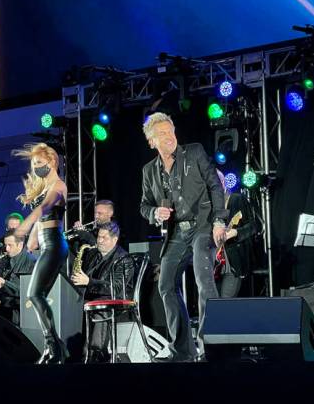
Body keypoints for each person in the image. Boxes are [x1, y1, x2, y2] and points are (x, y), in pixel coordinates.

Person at [139, 112, 229, 362]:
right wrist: (155, 213)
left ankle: (211, 348)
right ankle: (183, 351)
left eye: (171, 131)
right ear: (151, 141)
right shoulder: (149, 171)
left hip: (203, 226)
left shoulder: (195, 152)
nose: (169, 137)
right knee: (165, 285)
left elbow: (215, 185)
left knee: (203, 279)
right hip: (176, 233)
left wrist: (219, 220)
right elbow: (144, 206)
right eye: (162, 134)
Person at [12, 143, 69, 364]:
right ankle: (53, 347)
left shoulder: (59, 186)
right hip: (46, 243)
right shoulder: (45, 186)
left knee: (34, 294)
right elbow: (42, 217)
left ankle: (54, 346)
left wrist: (26, 225)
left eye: (39, 163)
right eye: (34, 164)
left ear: (52, 161)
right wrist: (33, 237)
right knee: (36, 295)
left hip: (55, 244)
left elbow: (45, 208)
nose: (36, 168)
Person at [70, 221, 134, 362]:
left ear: (114, 239)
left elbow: (117, 288)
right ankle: (78, 353)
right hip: (94, 298)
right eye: (99, 237)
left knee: (97, 307)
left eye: (104, 238)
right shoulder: (94, 254)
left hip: (115, 302)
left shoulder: (124, 259)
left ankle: (96, 353)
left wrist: (89, 282)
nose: (99, 240)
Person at [0, 230, 36, 324]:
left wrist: (4, 284)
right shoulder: (4, 260)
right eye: (5, 245)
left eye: (10, 245)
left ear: (20, 245)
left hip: (21, 315)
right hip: (6, 310)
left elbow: (26, 292)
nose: (6, 249)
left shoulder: (31, 262)